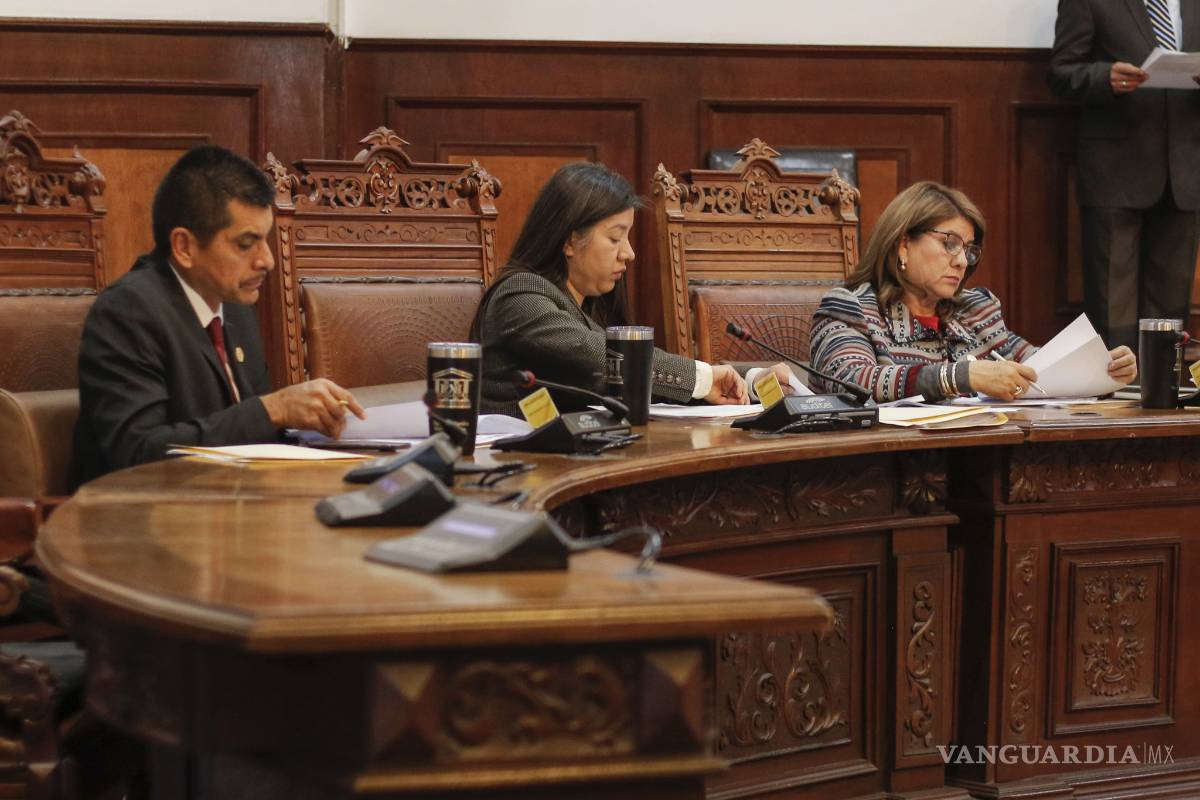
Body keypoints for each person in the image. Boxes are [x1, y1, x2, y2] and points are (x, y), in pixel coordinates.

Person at [74, 145, 366, 483]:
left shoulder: (235, 308)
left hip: (234, 501)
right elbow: (137, 453)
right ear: (184, 246)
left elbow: (253, 435)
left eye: (265, 239)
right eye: (246, 243)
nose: (267, 260)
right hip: (147, 511)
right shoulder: (128, 312)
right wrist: (273, 409)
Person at [471, 161, 794, 417]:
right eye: (615, 237)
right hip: (516, 463)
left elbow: (642, 379)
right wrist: (706, 377)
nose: (629, 253)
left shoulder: (589, 302)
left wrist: (750, 377)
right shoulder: (519, 295)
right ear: (569, 241)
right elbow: (600, 356)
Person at [808, 181, 1137, 403]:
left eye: (969, 250)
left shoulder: (975, 310)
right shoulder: (850, 308)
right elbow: (852, 381)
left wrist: (1100, 369)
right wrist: (958, 377)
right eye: (950, 243)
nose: (962, 261)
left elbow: (1039, 367)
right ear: (903, 244)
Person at [1048, 0, 1200, 352]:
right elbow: (1061, 72)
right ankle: (1116, 385)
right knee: (1111, 307)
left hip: (1185, 172)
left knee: (1171, 310)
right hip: (1114, 172)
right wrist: (1104, 77)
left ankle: (1162, 384)